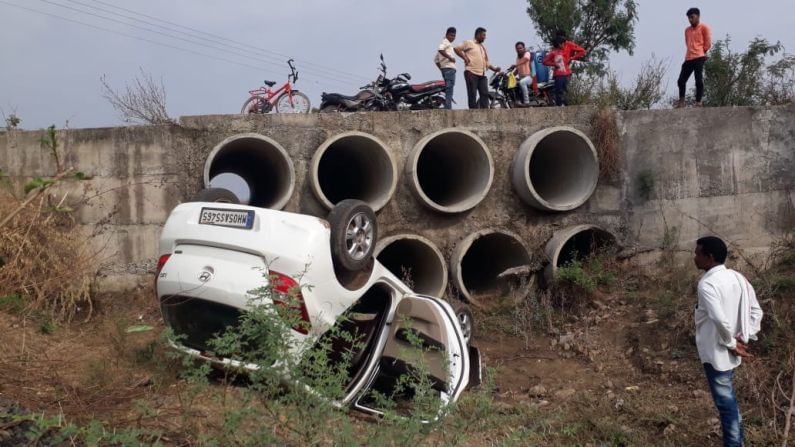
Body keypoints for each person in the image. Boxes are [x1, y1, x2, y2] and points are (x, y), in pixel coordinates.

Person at [693, 236, 763, 447]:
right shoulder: (738, 278)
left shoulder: (707, 284)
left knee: (726, 405)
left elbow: (719, 319)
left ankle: (734, 443)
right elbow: (756, 311)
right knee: (729, 401)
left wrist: (732, 343)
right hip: (730, 351)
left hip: (717, 354)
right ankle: (737, 439)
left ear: (709, 257)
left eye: (697, 253)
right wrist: (747, 335)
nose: (694, 257)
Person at [455, 27, 501, 109]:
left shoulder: (482, 47)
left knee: (485, 94)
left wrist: (494, 69)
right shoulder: (469, 42)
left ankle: (485, 112)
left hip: (482, 74)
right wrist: (465, 58)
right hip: (471, 72)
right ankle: (473, 113)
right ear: (478, 34)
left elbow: (485, 62)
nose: (485, 37)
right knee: (472, 94)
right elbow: (457, 49)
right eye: (483, 35)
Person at [677, 7, 712, 108]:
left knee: (698, 80)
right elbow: (687, 43)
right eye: (689, 18)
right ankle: (681, 102)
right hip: (688, 57)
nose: (690, 19)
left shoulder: (704, 27)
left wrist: (702, 52)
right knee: (681, 80)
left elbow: (708, 43)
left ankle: (698, 102)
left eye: (692, 17)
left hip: (699, 57)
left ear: (698, 16)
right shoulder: (687, 30)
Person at [543, 35, 586, 106]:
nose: (565, 45)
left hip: (567, 73)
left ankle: (567, 105)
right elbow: (545, 61)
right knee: (559, 90)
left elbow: (582, 52)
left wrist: (572, 58)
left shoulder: (564, 52)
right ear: (559, 44)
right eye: (563, 44)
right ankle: (559, 105)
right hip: (558, 74)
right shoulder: (553, 53)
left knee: (566, 90)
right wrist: (554, 64)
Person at [435, 27, 457, 110]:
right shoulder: (445, 42)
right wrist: (450, 58)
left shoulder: (447, 44)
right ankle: (448, 108)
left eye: (454, 36)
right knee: (449, 89)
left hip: (445, 69)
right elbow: (440, 49)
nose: (453, 37)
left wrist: (442, 68)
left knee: (448, 88)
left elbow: (436, 60)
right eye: (451, 35)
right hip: (449, 69)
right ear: (447, 34)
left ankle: (447, 106)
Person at [508, 41, 534, 107]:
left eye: (520, 48)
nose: (519, 50)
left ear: (524, 48)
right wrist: (510, 76)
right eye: (517, 48)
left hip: (529, 77)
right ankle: (518, 101)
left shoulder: (527, 53)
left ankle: (526, 102)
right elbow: (517, 69)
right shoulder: (517, 58)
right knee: (513, 84)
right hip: (521, 77)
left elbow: (526, 59)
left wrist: (515, 65)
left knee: (522, 82)